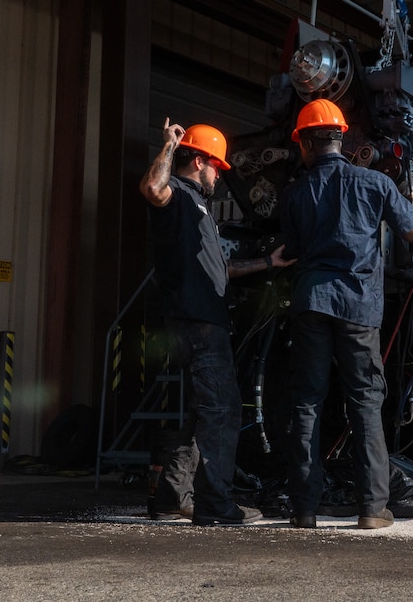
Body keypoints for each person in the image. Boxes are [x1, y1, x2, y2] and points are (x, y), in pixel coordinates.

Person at [139, 117, 292, 526]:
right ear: (200, 161)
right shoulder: (178, 197)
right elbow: (152, 188)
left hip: (191, 322)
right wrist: (170, 145)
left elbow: (219, 269)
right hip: (199, 323)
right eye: (216, 168)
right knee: (223, 412)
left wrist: (267, 262)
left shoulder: (199, 209)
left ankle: (173, 496)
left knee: (201, 414)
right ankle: (216, 505)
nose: (219, 177)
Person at [279, 99, 413, 530]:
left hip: (311, 301)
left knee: (306, 402)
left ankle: (304, 510)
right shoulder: (374, 184)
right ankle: (372, 509)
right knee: (364, 402)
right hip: (359, 304)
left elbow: (291, 251)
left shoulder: (294, 193)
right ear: (342, 138)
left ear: (305, 144)